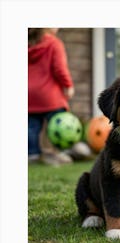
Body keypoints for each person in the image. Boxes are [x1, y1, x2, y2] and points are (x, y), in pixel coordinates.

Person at [28, 28, 75, 165]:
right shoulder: (54, 43)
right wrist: (68, 85)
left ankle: (32, 155)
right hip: (50, 95)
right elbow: (59, 68)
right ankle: (60, 152)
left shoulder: (28, 44)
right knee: (60, 123)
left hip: (29, 95)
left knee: (31, 127)